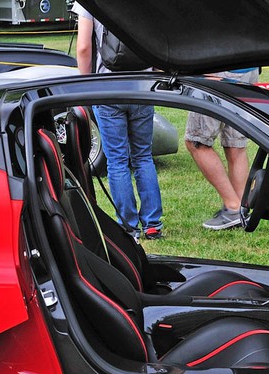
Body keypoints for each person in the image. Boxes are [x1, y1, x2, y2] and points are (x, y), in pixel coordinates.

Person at [72, 2, 164, 240]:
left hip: (109, 87)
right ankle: (153, 224)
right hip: (142, 85)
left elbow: (83, 47)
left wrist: (86, 86)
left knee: (117, 161)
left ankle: (128, 226)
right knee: (143, 156)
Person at [184, 68, 259, 230]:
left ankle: (233, 207)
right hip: (248, 70)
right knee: (236, 144)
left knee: (197, 143)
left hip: (218, 73)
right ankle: (240, 210)